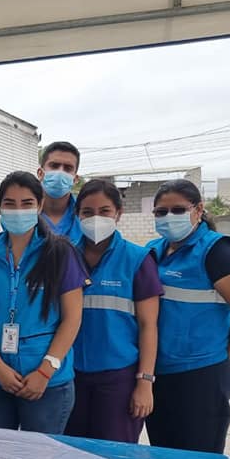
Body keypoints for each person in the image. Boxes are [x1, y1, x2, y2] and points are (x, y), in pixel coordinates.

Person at [145, 179, 230, 454]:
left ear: (198, 210)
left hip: (201, 377)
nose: (169, 217)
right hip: (160, 375)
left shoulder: (216, 251)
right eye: (161, 212)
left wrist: (227, 348)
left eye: (178, 210)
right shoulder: (155, 251)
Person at [0, 171, 86, 433]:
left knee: (41, 455)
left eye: (27, 203)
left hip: (45, 381)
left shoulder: (61, 253)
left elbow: (72, 318)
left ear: (40, 205)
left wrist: (45, 371)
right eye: (10, 204)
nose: (18, 211)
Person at [64, 180, 163, 443]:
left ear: (118, 213)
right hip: (70, 376)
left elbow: (149, 326)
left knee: (115, 457)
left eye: (104, 211)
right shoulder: (64, 257)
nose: (96, 218)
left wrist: (145, 382)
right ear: (77, 215)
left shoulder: (137, 259)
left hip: (119, 380)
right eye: (87, 212)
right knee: (70, 455)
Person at [38, 141, 83, 243]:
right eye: (54, 166)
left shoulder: (85, 215)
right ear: (40, 173)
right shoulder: (24, 212)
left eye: (68, 168)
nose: (60, 172)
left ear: (75, 179)